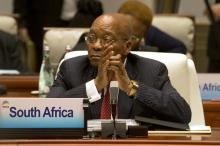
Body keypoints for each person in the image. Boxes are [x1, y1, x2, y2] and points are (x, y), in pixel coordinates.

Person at [48, 13, 191, 124]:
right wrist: (95, 85)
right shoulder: (71, 68)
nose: (96, 45)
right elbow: (47, 112)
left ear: (127, 46)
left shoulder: (152, 70)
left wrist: (131, 87)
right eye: (91, 38)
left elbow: (183, 114)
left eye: (107, 39)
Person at [118, 0, 187, 54]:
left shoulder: (151, 33)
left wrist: (156, 62)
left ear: (143, 34)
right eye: (123, 33)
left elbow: (179, 47)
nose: (127, 41)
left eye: (133, 37)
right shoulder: (108, 28)